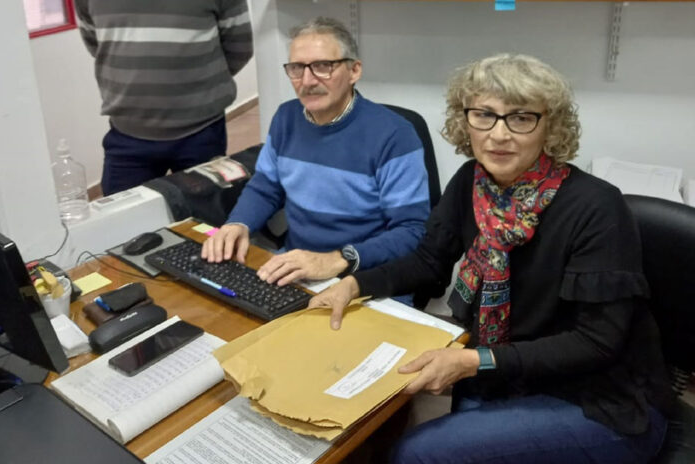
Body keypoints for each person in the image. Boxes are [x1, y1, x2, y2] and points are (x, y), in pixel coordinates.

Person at [310, 54, 675, 463]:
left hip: (601, 400)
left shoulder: (598, 207)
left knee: (418, 453)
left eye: (520, 118)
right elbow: (429, 262)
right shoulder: (472, 180)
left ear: (549, 125)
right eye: (484, 115)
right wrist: (354, 284)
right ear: (465, 120)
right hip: (508, 371)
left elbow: (596, 342)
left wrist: (474, 360)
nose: (499, 134)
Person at [202, 17, 430, 290]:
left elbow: (411, 230)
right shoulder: (286, 118)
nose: (307, 81)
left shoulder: (395, 135)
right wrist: (238, 223)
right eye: (297, 68)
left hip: (365, 276)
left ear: (354, 70)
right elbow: (266, 187)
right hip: (295, 268)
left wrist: (337, 259)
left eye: (323, 66)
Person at [73, 0, 253, 196]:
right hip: (127, 137)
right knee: (124, 213)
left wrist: (202, 85)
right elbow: (98, 45)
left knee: (207, 212)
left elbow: (240, 46)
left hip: (201, 132)